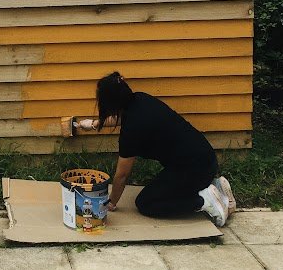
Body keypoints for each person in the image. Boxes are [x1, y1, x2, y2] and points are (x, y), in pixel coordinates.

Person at [74, 71, 235, 226]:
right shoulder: (141, 99)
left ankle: (205, 201)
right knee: (165, 188)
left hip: (193, 170)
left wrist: (111, 202)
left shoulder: (131, 131)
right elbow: (123, 117)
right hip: (206, 159)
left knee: (147, 203)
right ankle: (217, 188)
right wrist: (94, 124)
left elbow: (122, 175)